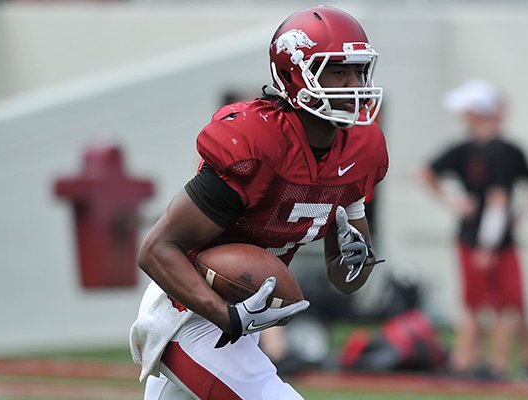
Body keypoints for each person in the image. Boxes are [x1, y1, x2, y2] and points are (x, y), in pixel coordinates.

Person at [129, 5, 389, 400]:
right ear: (294, 74)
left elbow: (345, 278)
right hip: (185, 313)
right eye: (338, 71)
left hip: (238, 319)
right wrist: (227, 317)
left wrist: (358, 260)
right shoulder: (257, 141)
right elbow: (155, 248)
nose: (353, 83)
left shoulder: (361, 150)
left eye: (358, 70)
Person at [418, 80, 528, 381]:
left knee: (498, 305)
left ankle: (489, 364)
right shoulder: (470, 149)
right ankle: (473, 362)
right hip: (479, 238)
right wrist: (454, 203)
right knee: (483, 304)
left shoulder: (501, 152)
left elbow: (501, 200)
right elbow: (426, 172)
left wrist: (488, 240)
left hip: (487, 241)